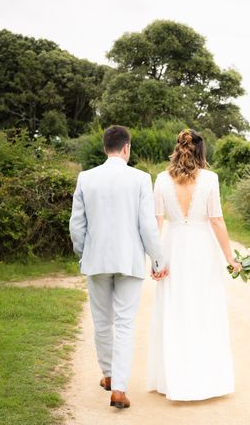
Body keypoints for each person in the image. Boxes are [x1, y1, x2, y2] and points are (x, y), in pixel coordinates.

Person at [69, 125, 165, 409]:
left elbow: (77, 225)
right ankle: (119, 389)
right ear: (126, 148)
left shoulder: (86, 178)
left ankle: (109, 375)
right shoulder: (140, 179)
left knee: (102, 322)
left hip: (96, 261)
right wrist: (157, 259)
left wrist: (84, 253)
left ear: (104, 148)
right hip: (129, 260)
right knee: (124, 323)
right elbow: (147, 227)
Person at [147, 128, 241, 401]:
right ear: (201, 151)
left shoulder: (161, 180)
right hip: (202, 249)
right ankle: (204, 378)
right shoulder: (211, 179)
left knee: (174, 308)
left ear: (177, 148)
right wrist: (230, 257)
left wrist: (155, 259)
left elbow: (157, 222)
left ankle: (172, 379)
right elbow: (216, 220)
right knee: (204, 307)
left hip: (172, 247)